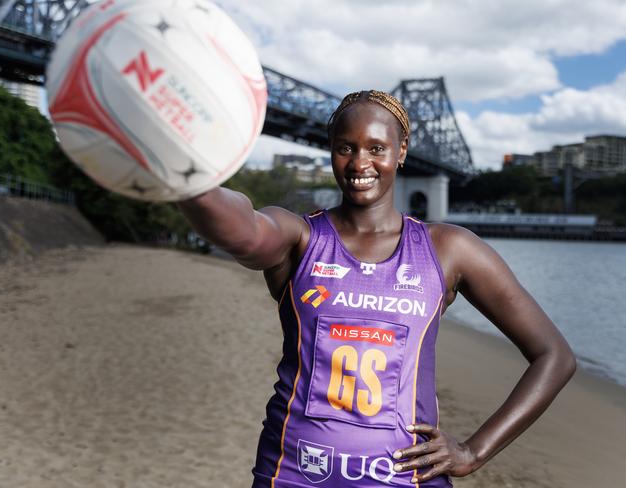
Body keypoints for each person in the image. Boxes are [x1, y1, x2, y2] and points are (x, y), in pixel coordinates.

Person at [178, 90, 576, 487]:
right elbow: (242, 229)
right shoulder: (299, 236)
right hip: (292, 472)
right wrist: (183, 172)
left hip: (408, 479)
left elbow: (553, 356)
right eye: (345, 148)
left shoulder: (448, 249)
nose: (359, 163)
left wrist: (473, 451)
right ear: (331, 150)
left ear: (401, 151)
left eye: (376, 148)